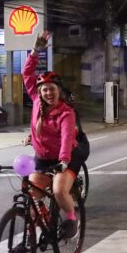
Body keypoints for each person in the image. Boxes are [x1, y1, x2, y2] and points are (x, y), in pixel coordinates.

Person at [22, 30, 86, 239]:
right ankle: (33, 234)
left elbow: (67, 138)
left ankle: (71, 218)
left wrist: (64, 161)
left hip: (65, 158)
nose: (48, 93)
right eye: (45, 90)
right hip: (43, 158)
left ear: (58, 90)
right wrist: (35, 51)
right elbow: (27, 74)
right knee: (32, 195)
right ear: (39, 92)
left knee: (58, 191)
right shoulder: (36, 101)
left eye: (52, 89)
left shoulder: (66, 112)